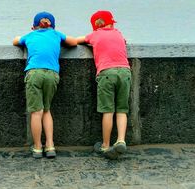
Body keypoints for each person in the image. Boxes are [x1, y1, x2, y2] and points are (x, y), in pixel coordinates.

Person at [13, 11, 77, 158]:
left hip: (34, 73)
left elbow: (15, 41)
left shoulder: (30, 36)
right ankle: (50, 145)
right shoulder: (56, 35)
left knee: (36, 112)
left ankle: (37, 147)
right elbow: (73, 42)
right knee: (47, 110)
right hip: (52, 74)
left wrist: (26, 35)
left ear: (33, 27)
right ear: (53, 26)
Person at [77, 10, 131, 159]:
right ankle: (121, 140)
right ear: (111, 22)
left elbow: (76, 41)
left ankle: (106, 145)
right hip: (125, 72)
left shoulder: (94, 35)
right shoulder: (118, 33)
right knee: (122, 110)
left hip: (106, 73)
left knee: (108, 111)